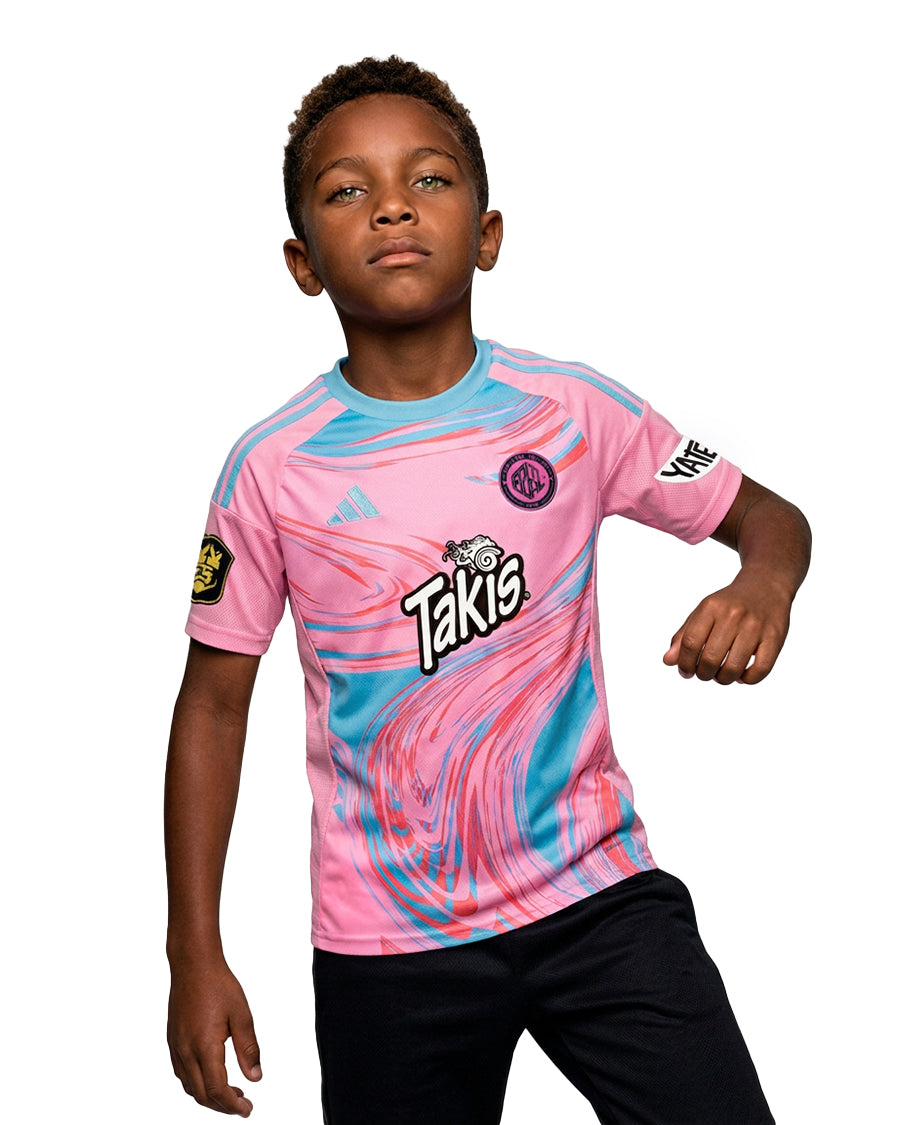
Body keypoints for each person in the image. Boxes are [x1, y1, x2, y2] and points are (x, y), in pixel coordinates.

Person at [165, 56, 811, 1124]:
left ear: (489, 233)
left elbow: (769, 516)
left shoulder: (574, 411)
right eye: (347, 189)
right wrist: (194, 950)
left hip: (599, 897)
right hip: (390, 944)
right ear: (302, 262)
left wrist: (764, 583)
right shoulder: (272, 469)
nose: (391, 207)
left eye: (428, 178)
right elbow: (211, 705)